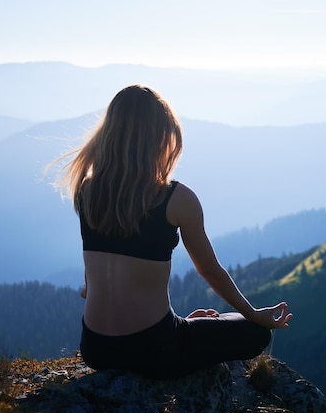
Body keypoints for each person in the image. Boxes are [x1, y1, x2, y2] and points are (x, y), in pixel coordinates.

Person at [53, 84, 292, 379]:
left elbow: (89, 287)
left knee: (191, 326)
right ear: (160, 137)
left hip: (95, 348)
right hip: (155, 347)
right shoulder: (176, 198)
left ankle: (180, 326)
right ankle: (185, 329)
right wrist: (254, 314)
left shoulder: (86, 191)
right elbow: (210, 270)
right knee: (256, 334)